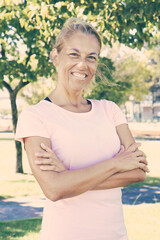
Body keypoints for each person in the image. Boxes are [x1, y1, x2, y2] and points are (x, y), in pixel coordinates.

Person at [15, 18, 149, 240]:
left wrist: (69, 178)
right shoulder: (35, 116)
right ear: (55, 56)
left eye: (91, 57)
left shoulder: (110, 110)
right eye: (74, 54)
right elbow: (54, 189)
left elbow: (138, 171)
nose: (82, 65)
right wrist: (116, 164)